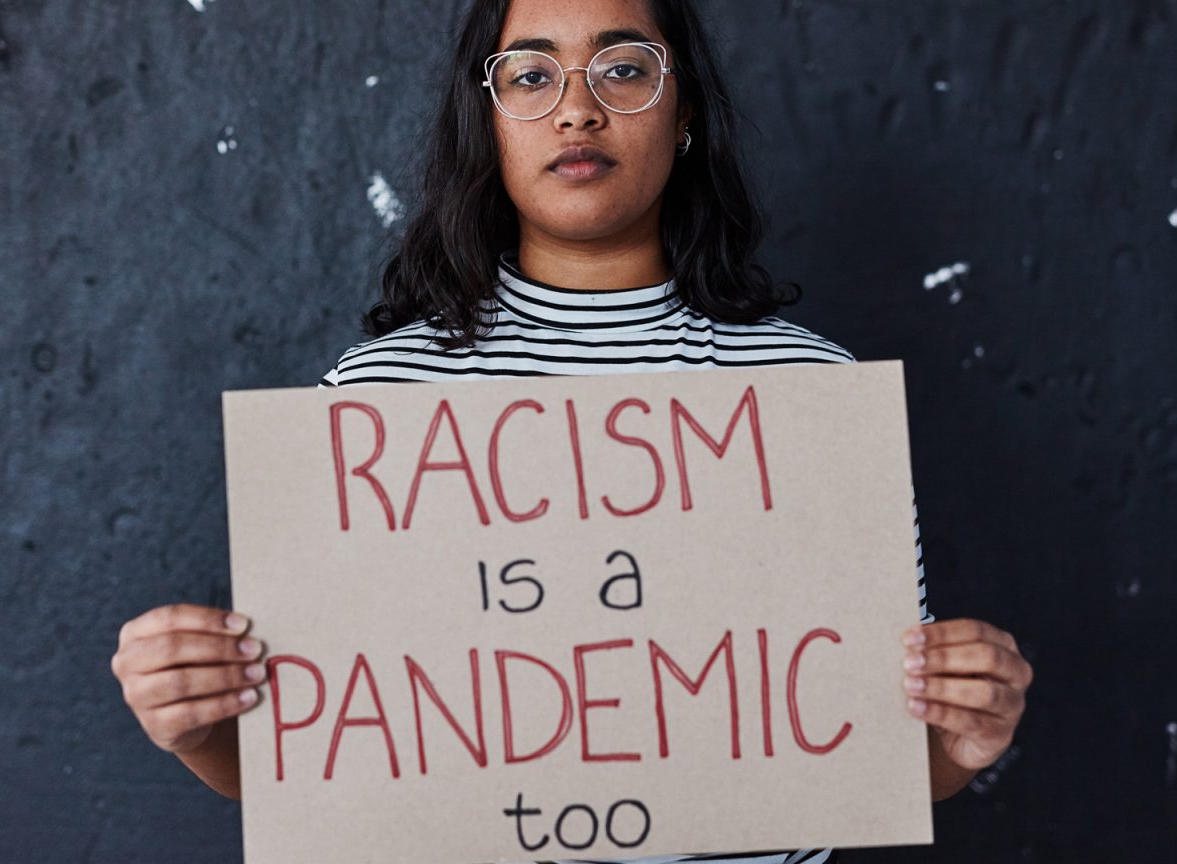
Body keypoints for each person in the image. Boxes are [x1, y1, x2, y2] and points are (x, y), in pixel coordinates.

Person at [110, 1, 1035, 862]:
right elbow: (312, 758)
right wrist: (196, 726)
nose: (578, 110)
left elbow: (881, 754)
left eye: (624, 69)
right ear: (489, 120)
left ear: (683, 112)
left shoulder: (810, 395)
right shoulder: (378, 400)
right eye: (530, 75)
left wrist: (963, 738)